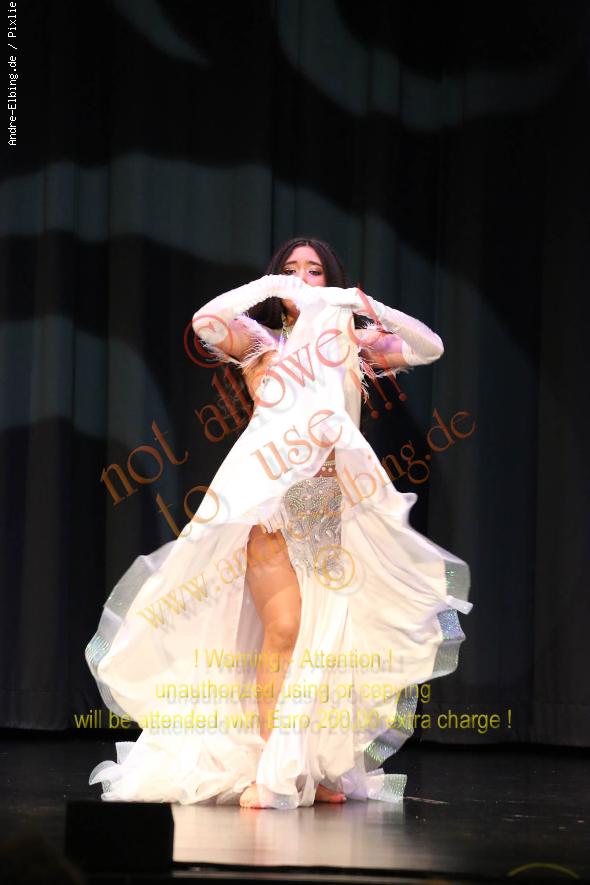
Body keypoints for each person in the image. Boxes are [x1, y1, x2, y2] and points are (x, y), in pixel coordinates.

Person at [86, 237, 472, 809]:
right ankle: (272, 770)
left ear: (331, 281)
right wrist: (271, 286)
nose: (302, 279)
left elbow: (430, 346)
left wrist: (364, 305)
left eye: (313, 271)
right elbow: (206, 321)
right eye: (292, 270)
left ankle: (313, 765)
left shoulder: (352, 343)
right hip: (265, 500)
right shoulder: (261, 342)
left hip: (326, 503)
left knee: (325, 640)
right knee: (286, 629)